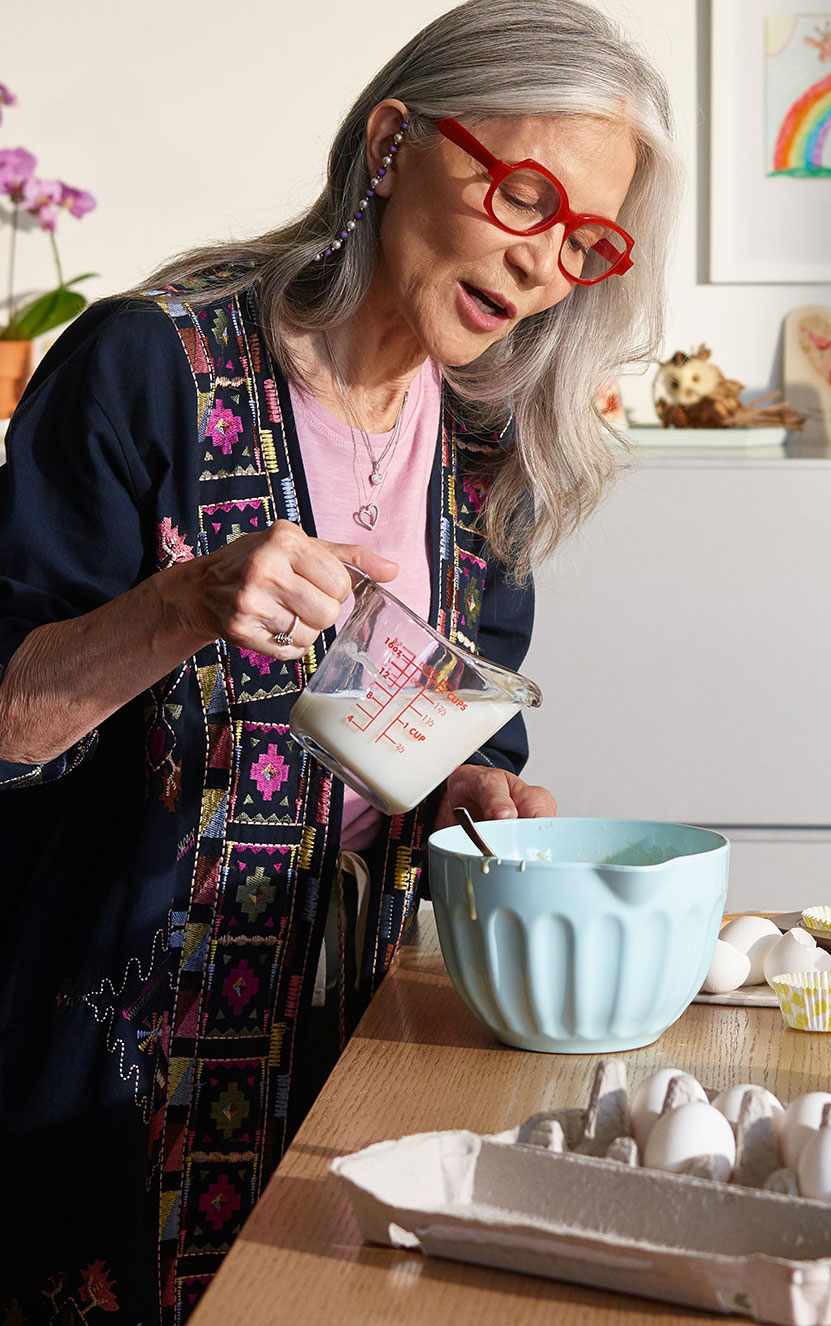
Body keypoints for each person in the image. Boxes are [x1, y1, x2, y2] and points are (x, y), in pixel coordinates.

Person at [0, 2, 681, 1318]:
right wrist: (190, 598)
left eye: (584, 239)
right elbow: (12, 717)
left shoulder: (491, 451)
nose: (544, 265)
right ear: (389, 143)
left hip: (354, 1086)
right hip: (98, 1109)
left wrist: (474, 798)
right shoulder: (151, 366)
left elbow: (450, 749)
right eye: (525, 194)